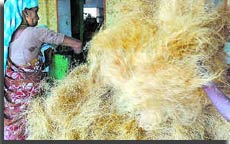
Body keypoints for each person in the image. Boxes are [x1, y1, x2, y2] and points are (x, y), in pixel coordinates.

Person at [4, 0, 82, 140]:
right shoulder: (35, 32)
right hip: (26, 103)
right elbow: (72, 42)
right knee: (30, 129)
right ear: (25, 12)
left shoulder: (9, 35)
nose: (38, 17)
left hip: (11, 103)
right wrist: (78, 47)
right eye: (36, 11)